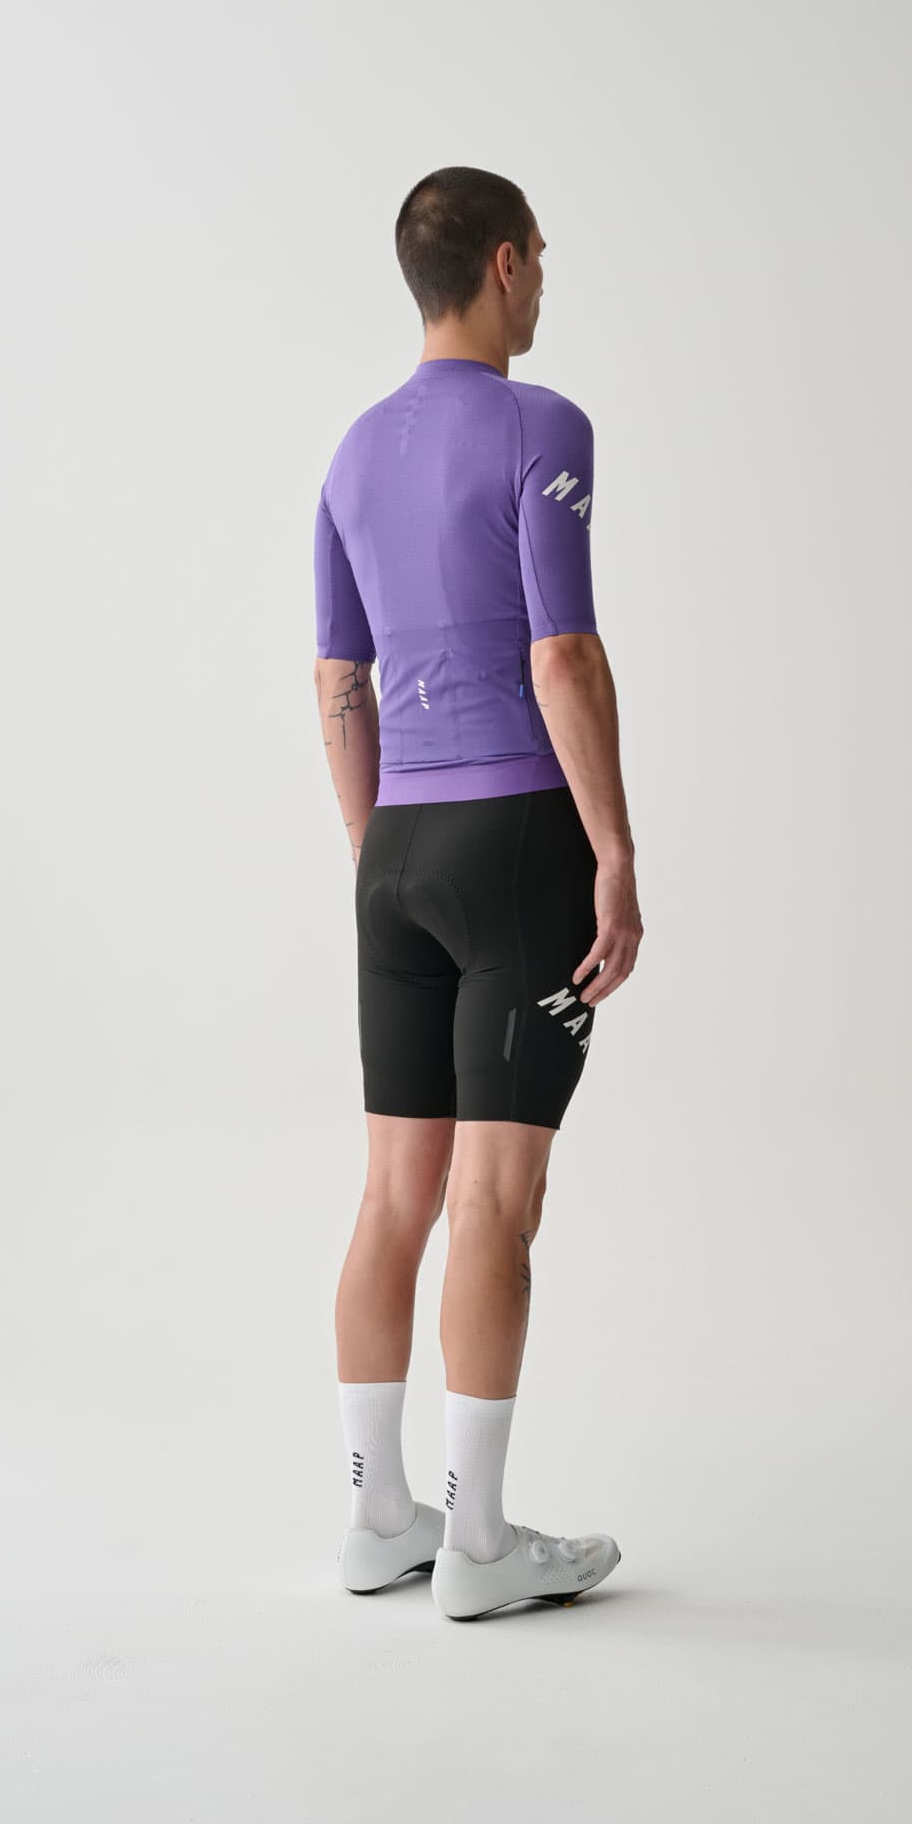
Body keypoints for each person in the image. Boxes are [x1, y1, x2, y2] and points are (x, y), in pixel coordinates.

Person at [312, 166, 642, 1619]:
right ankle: (483, 1547)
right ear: (505, 265)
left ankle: (378, 1518)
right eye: (541, 258)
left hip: (396, 852)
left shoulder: (352, 451)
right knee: (497, 1203)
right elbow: (562, 654)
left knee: (396, 1197)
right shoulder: (541, 425)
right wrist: (612, 849)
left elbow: (339, 678)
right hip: (519, 843)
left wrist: (377, 853)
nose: (546, 283)